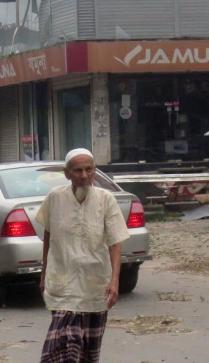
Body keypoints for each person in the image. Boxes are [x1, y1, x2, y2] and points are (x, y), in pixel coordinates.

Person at [36, 148, 130, 363]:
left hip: (95, 286)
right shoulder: (55, 198)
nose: (84, 175)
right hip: (63, 286)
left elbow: (116, 243)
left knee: (89, 351)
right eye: (78, 170)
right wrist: (43, 275)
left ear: (95, 170)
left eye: (89, 169)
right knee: (63, 345)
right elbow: (48, 235)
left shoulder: (106, 200)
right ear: (67, 173)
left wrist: (114, 281)